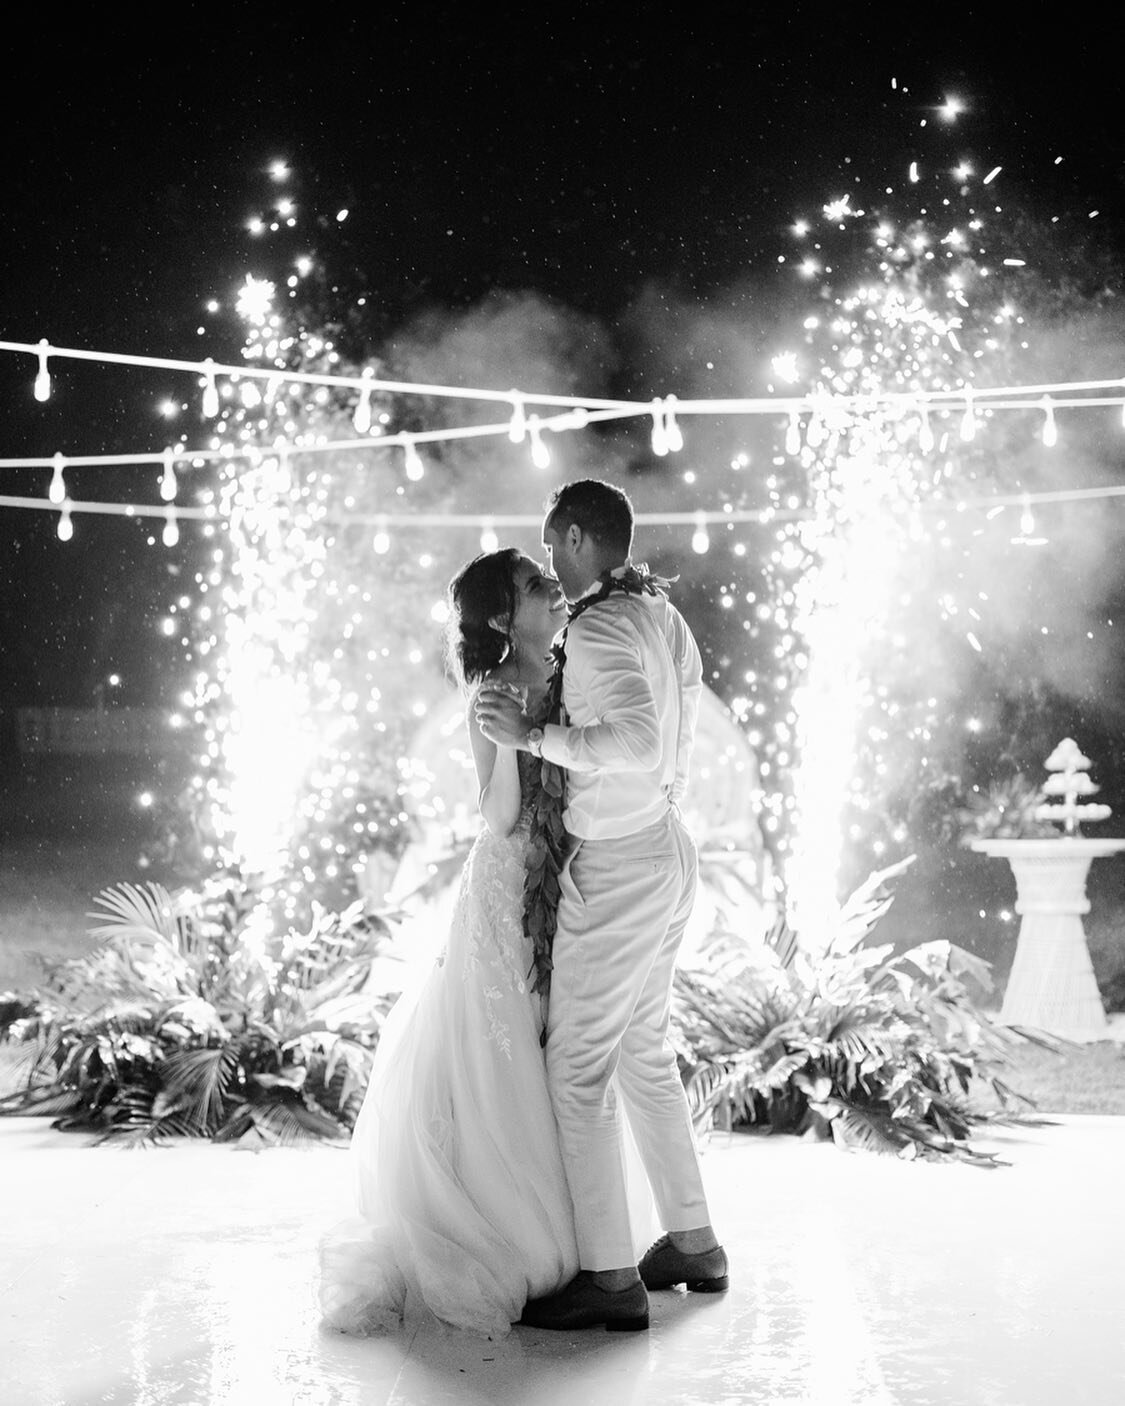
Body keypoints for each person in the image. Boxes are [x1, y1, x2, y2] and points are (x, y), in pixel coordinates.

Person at [475, 478, 728, 1333]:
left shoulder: (603, 625)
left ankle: (610, 1277)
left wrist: (531, 738)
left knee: (576, 1070)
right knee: (642, 1054)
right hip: (663, 847)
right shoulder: (662, 615)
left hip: (621, 864)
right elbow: (679, 725)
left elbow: (636, 739)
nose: (548, 563)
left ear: (578, 536)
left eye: (551, 547)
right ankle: (691, 1240)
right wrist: (660, 804)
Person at [317, 546, 581, 1339]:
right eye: (536, 586)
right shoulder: (494, 696)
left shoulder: (574, 673)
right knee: (499, 1053)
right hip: (506, 887)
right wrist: (516, 741)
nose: (553, 590)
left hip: (567, 882)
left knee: (560, 1047)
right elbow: (498, 816)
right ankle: (509, 1233)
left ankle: (581, 1233)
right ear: (503, 617)